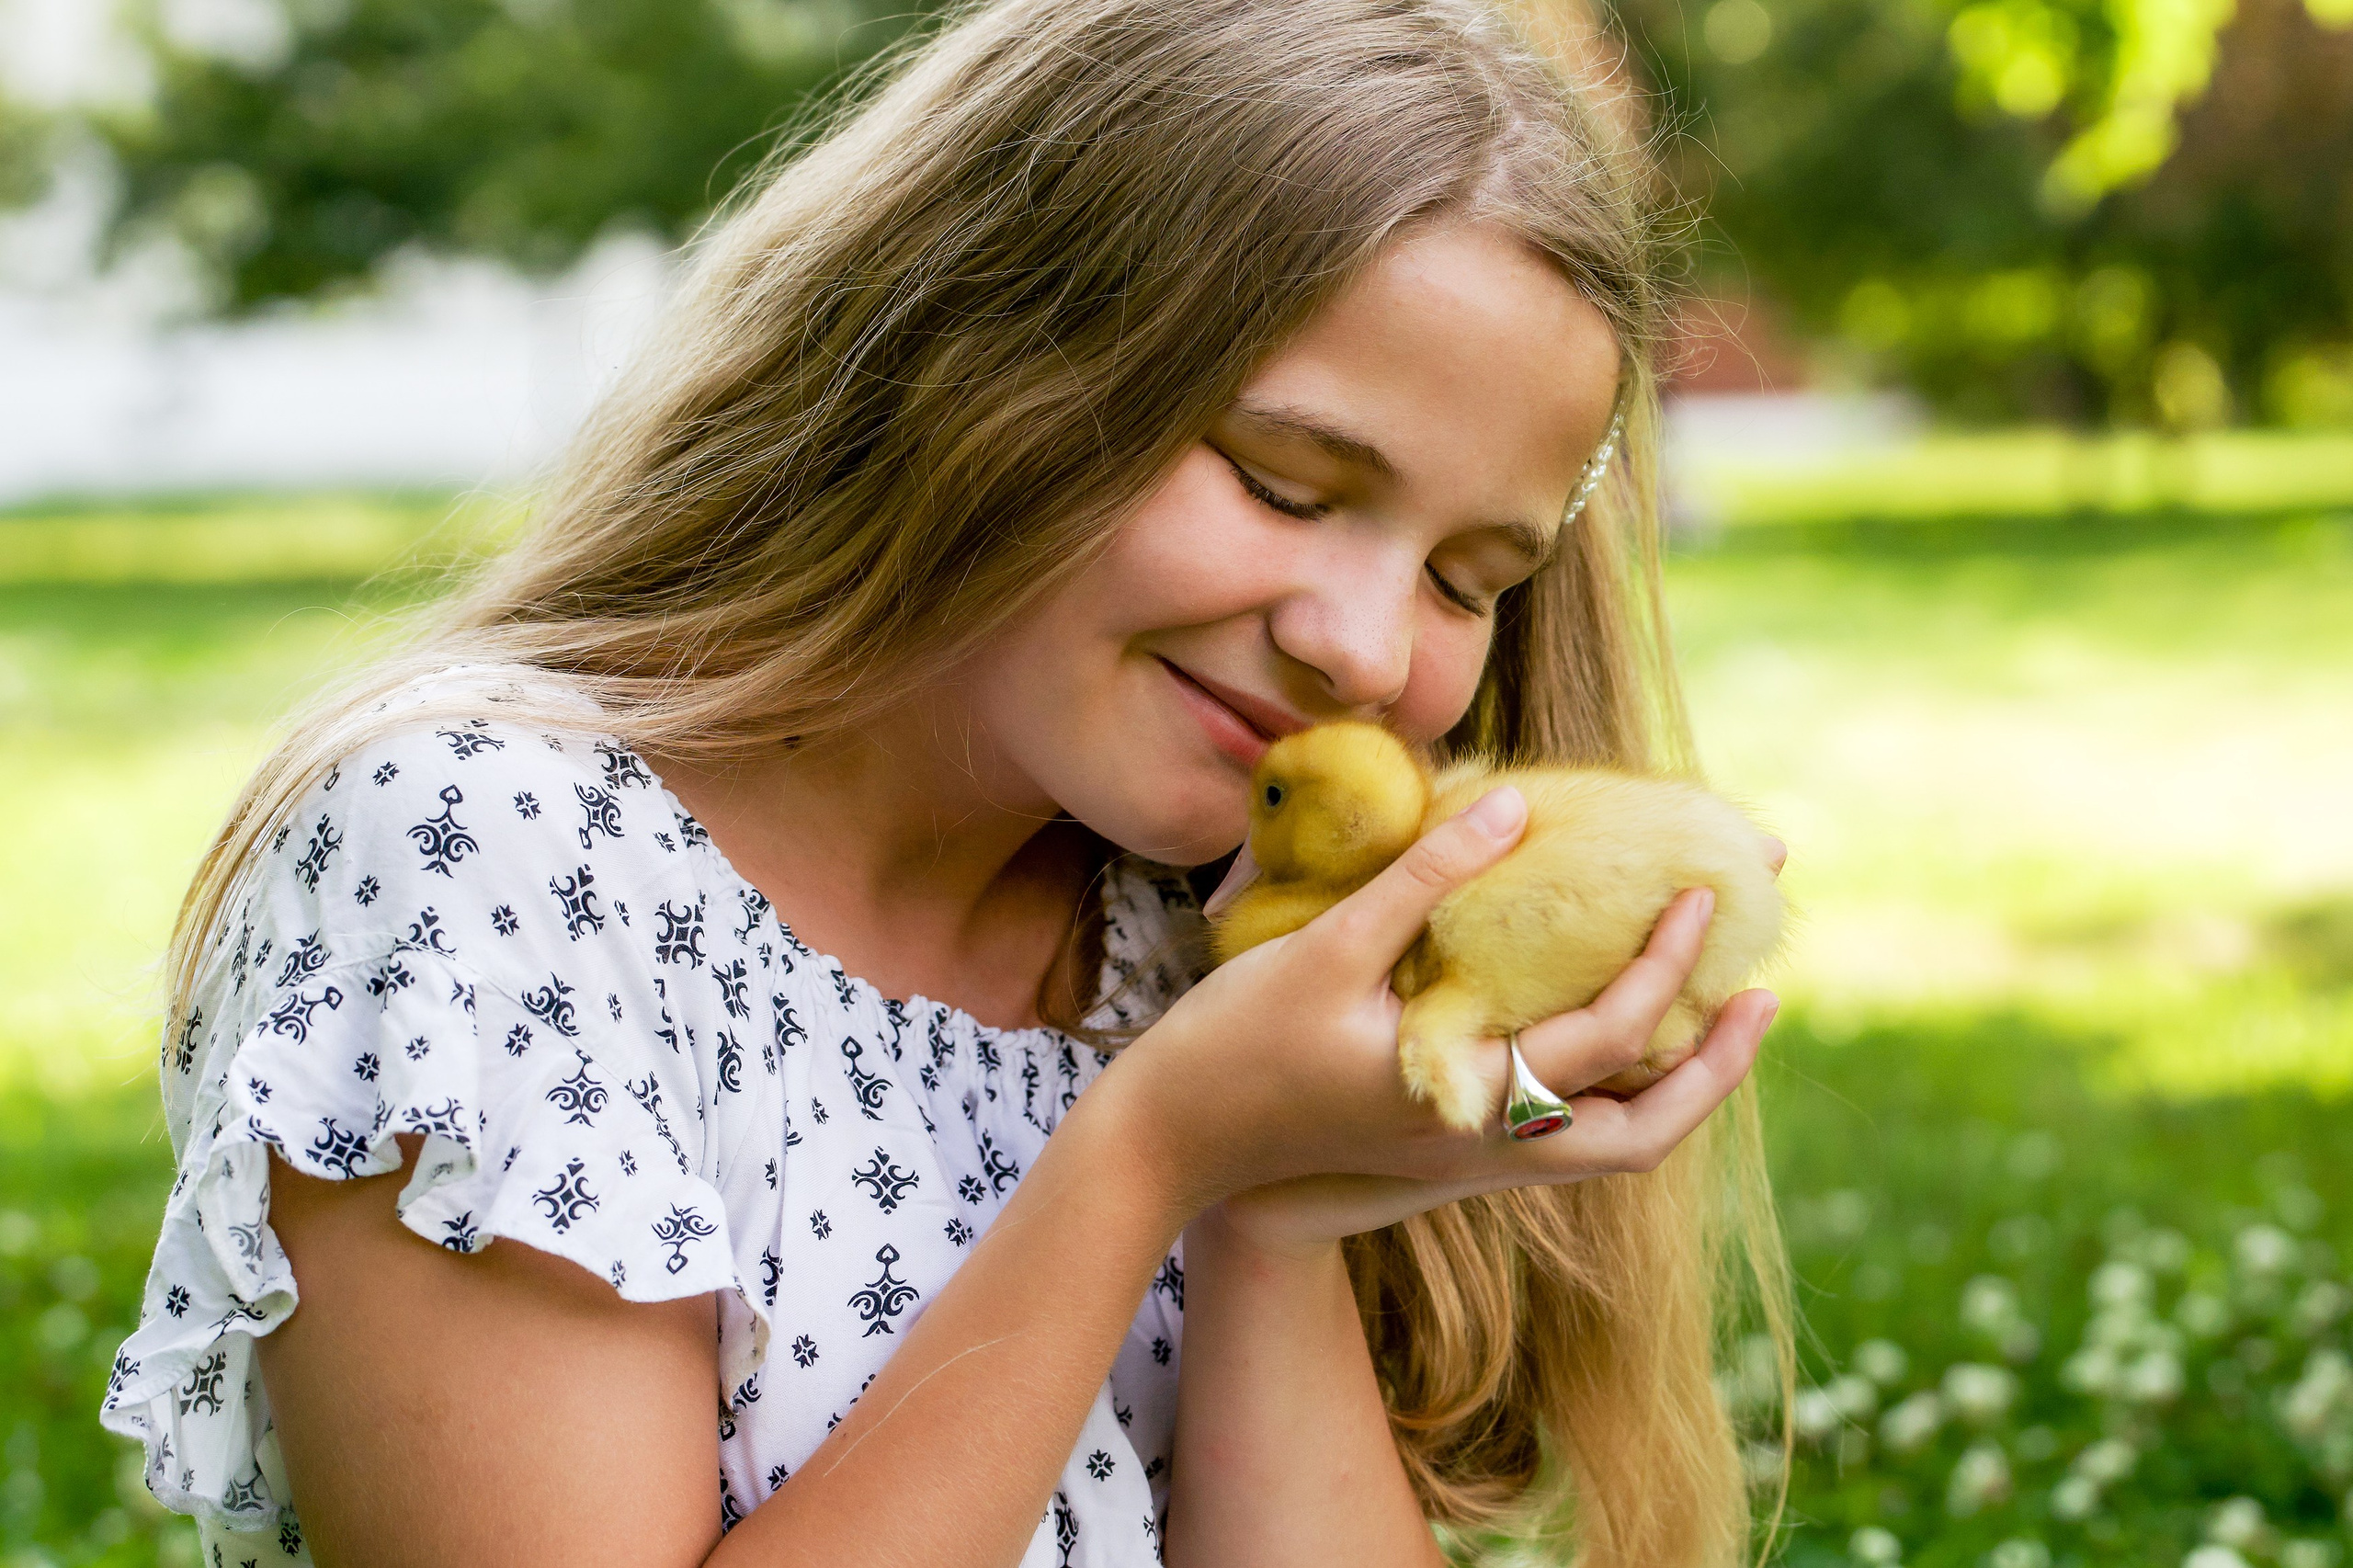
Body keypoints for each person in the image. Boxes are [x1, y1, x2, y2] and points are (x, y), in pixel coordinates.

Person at [102, 1, 1792, 1563]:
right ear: (981, 359)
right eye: (1284, 484)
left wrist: (1272, 1203)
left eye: (1464, 579)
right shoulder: (499, 858)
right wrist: (1151, 1153)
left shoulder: (1183, 921)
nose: (1363, 649)